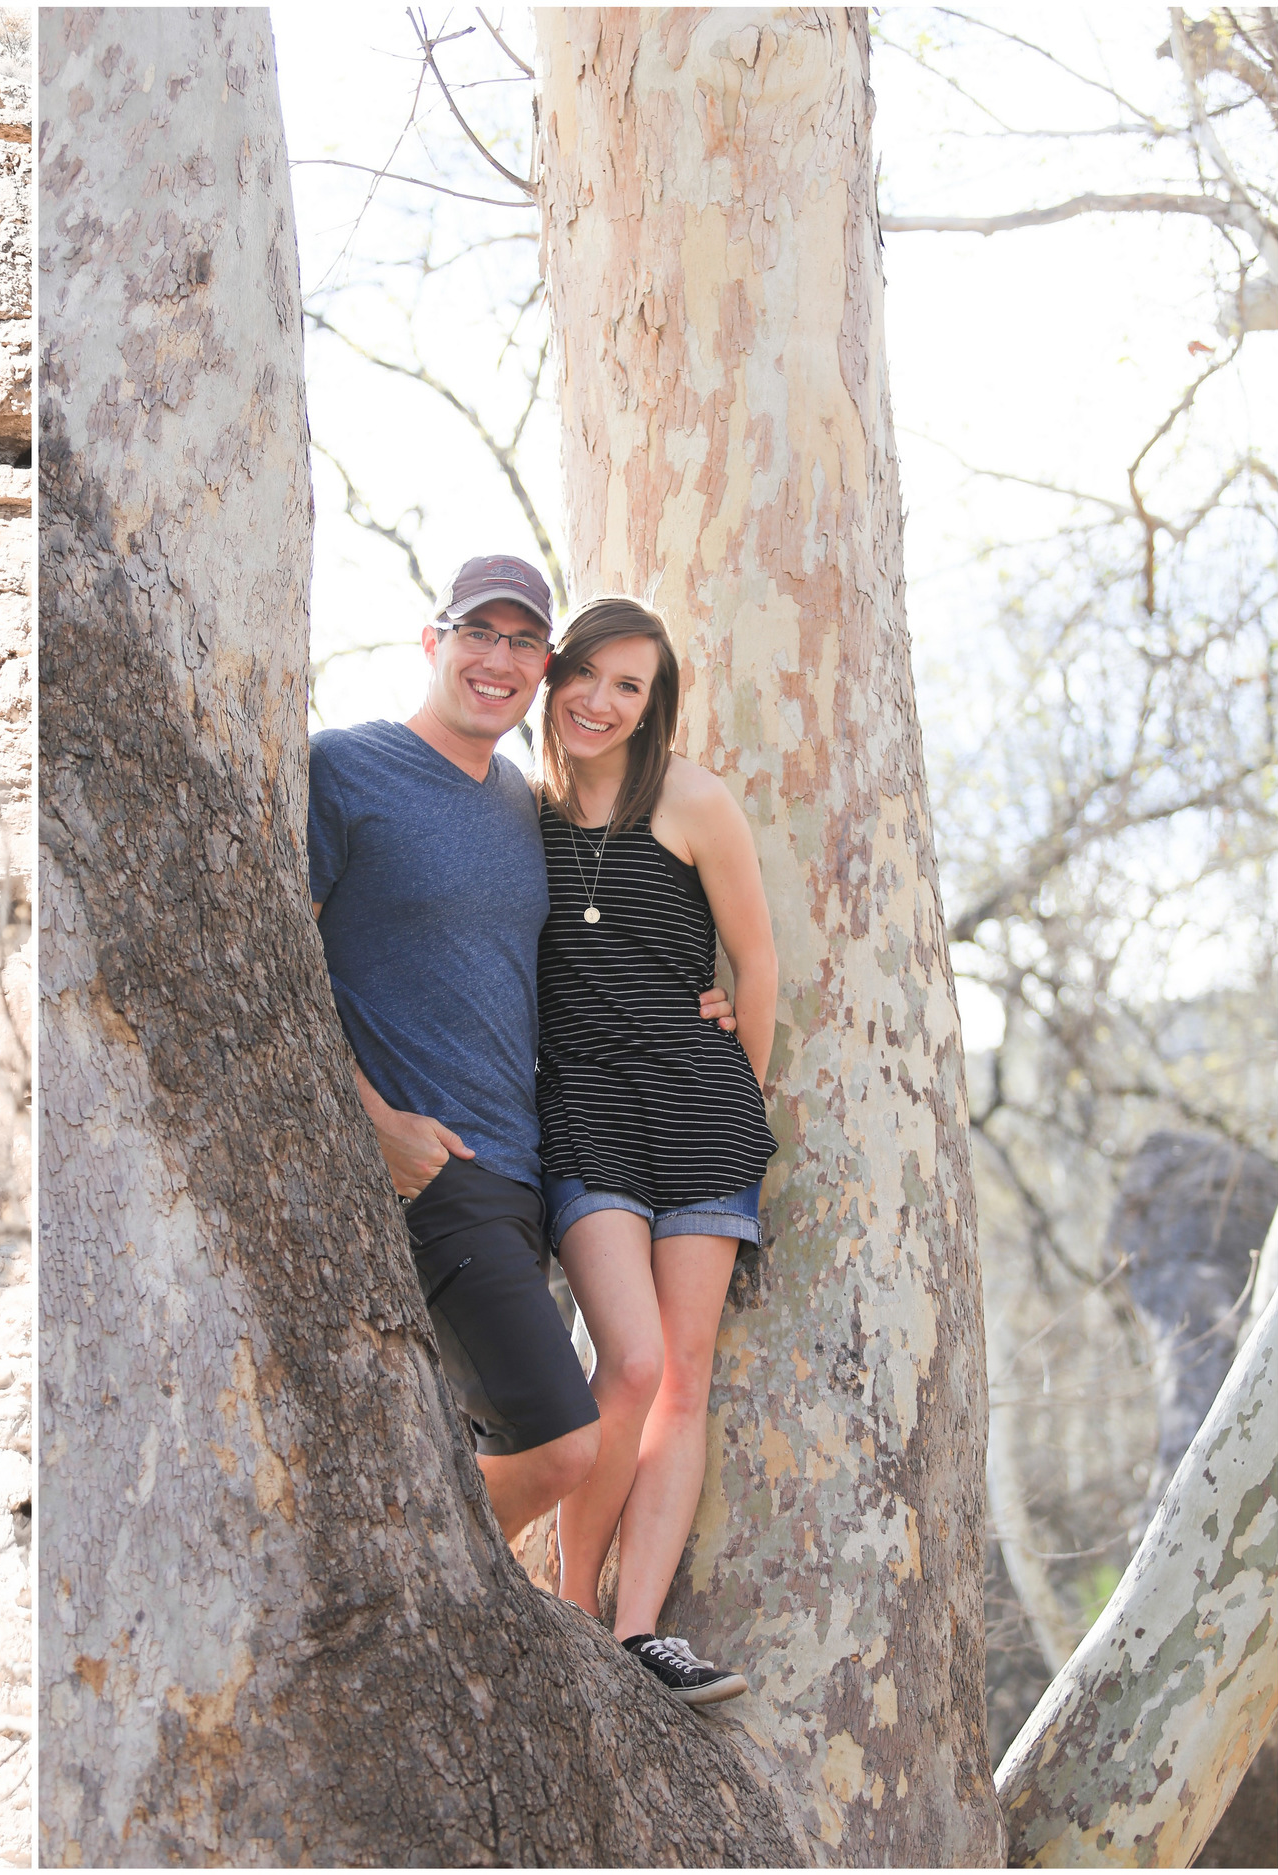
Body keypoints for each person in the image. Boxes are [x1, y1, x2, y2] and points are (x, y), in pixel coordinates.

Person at [306, 555, 734, 1545]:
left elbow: (598, 945)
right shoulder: (343, 768)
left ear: (543, 669)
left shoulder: (524, 805)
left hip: (531, 1173)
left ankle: (466, 1607)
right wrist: (370, 1124)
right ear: (433, 641)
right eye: (476, 633)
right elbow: (274, 961)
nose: (497, 658)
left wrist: (705, 1000)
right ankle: (400, 1575)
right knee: (560, 1446)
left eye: (522, 641)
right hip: (432, 1168)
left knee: (500, 1432)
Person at [532, 595, 779, 1707]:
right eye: (586, 673)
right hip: (582, 1114)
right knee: (624, 1367)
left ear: (652, 703)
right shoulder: (514, 803)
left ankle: (638, 1634)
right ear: (554, 674)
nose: (600, 699)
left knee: (683, 1381)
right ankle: (569, 1607)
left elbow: (755, 958)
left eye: (628, 685)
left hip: (700, 1114)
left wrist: (744, 1088)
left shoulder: (691, 798)